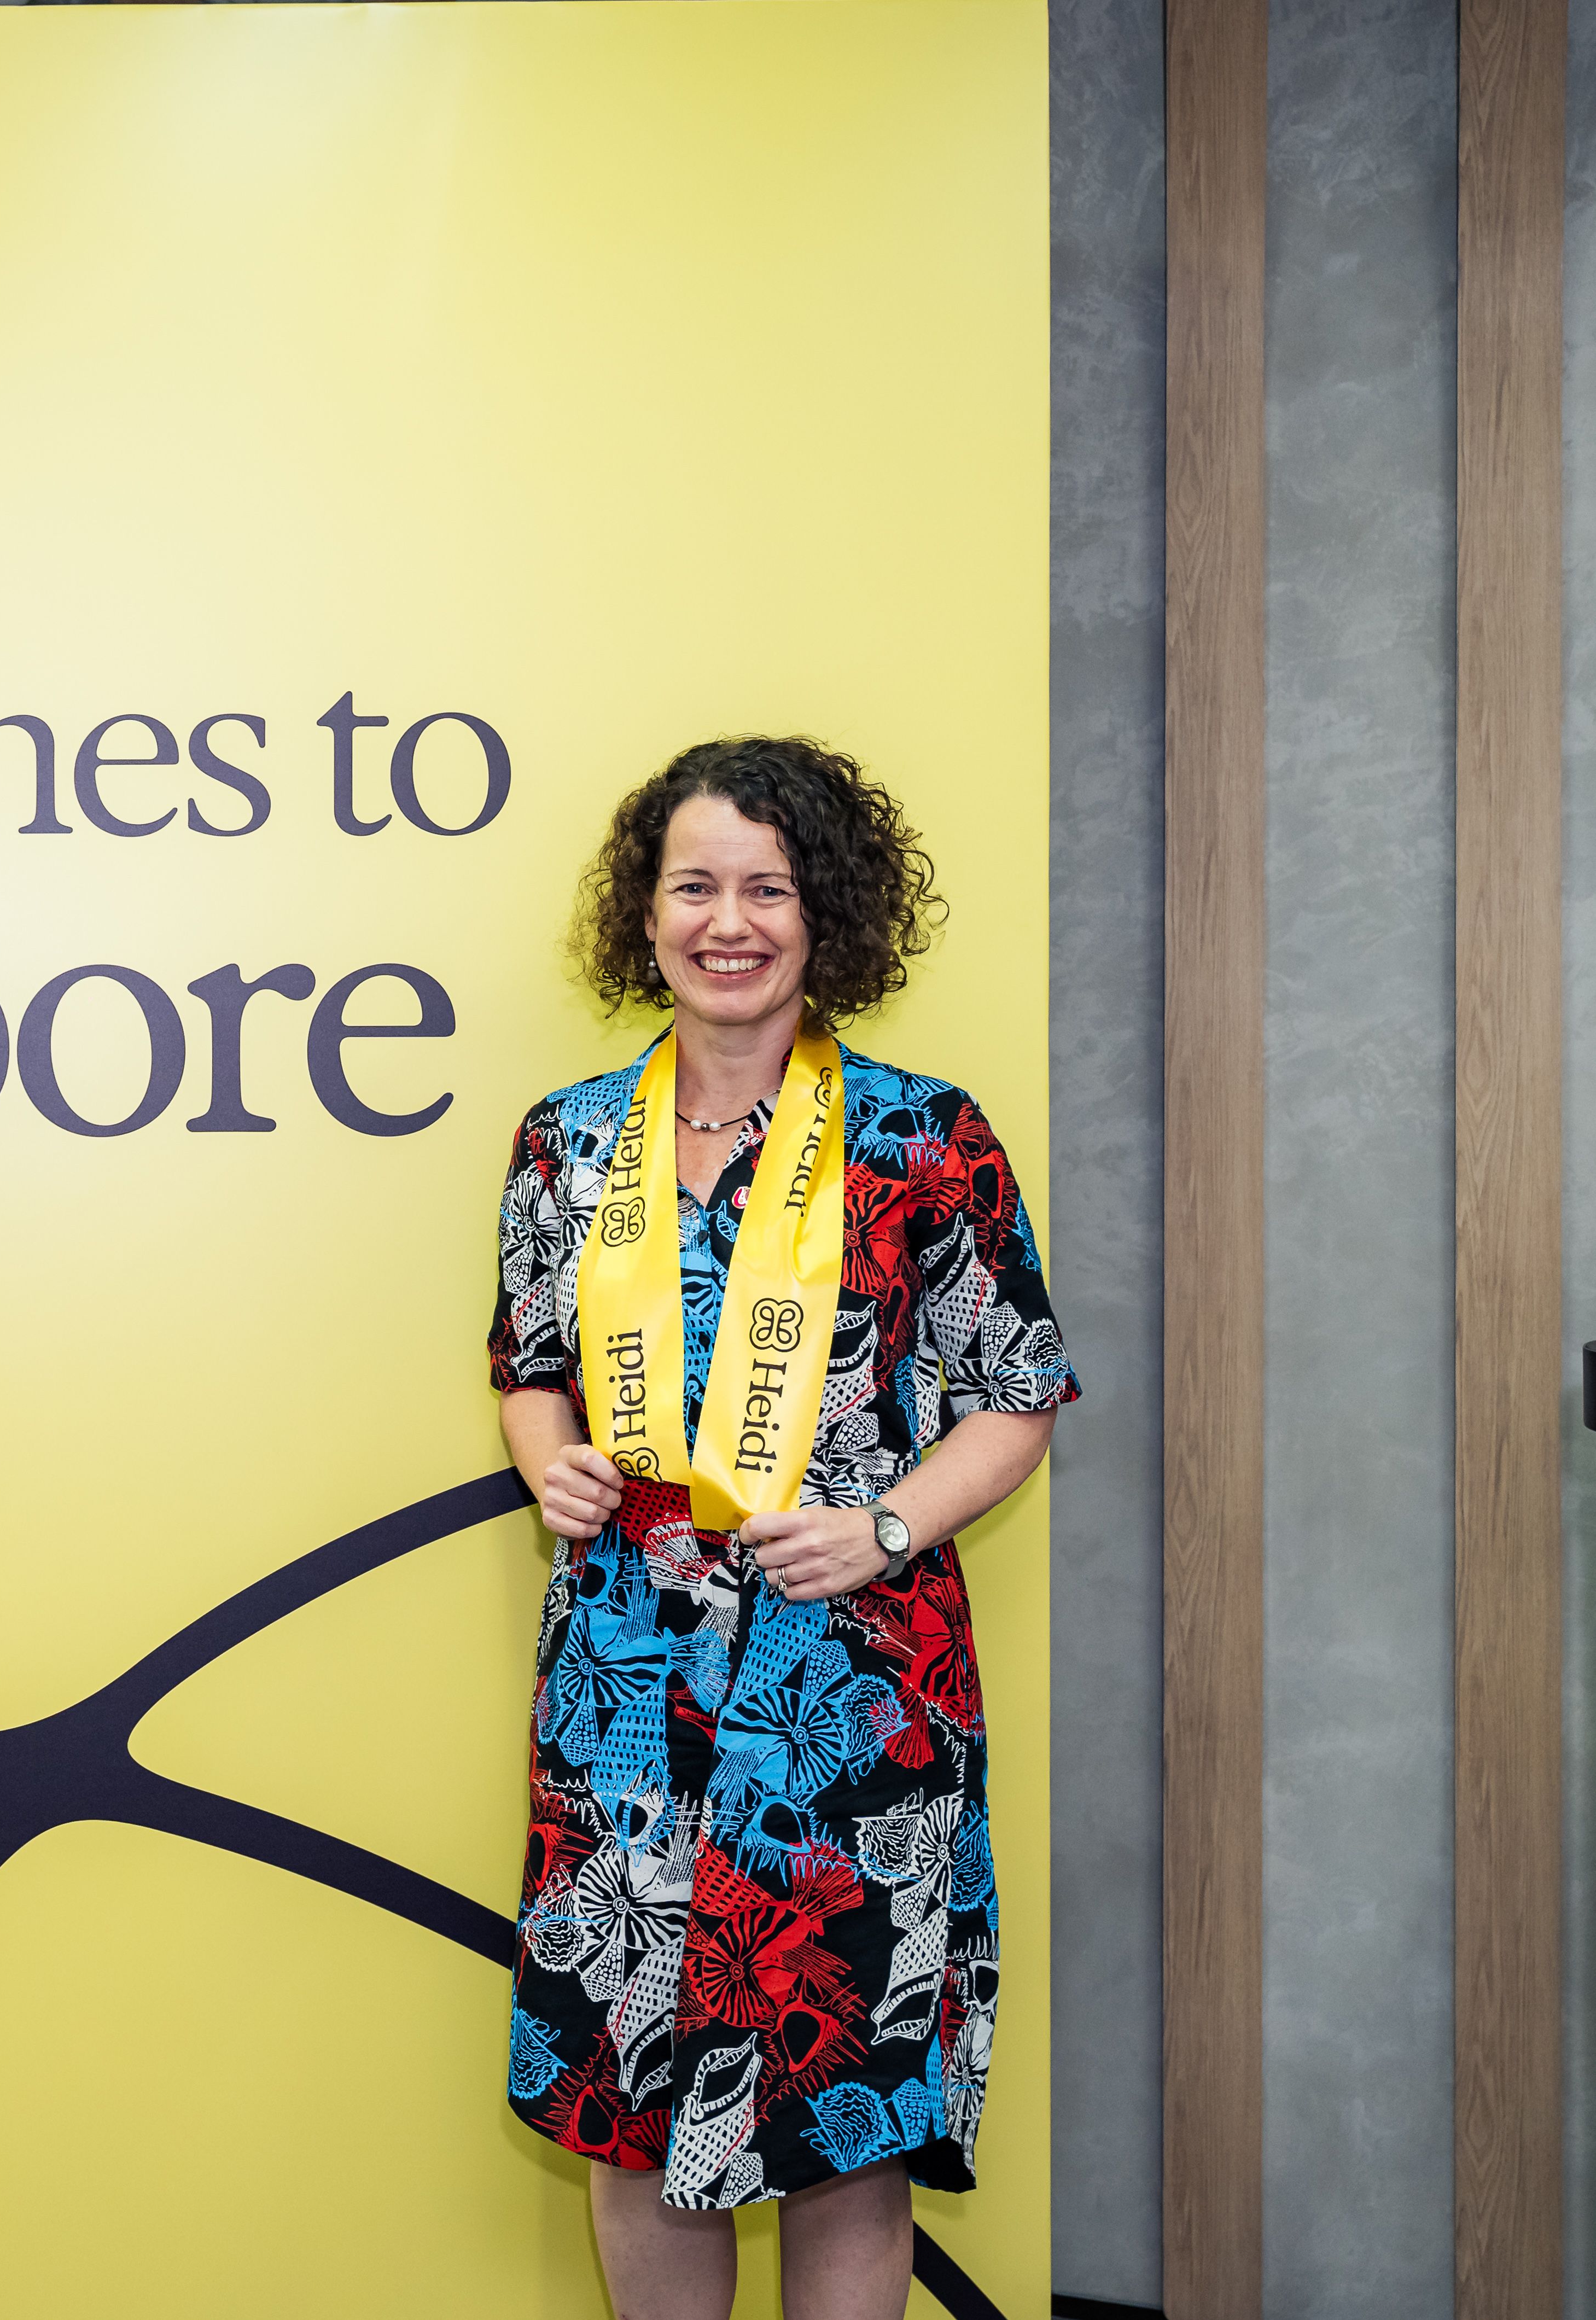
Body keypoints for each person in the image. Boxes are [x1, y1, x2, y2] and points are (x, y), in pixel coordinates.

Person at [485, 737, 1072, 2320]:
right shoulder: (567, 1141)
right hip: (625, 1685)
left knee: (841, 2124)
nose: (729, 922)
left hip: (853, 1688)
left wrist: (888, 1524)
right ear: (647, 911)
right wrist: (551, 1465)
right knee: (630, 2102)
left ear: (829, 914)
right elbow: (530, 1367)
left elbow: (1021, 1394)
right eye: (696, 886)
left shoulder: (923, 1138)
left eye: (770, 887)